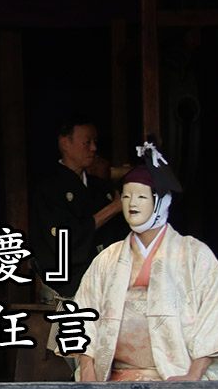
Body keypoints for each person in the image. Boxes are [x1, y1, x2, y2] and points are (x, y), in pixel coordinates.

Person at [70, 142, 218, 381]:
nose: (132, 203)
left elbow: (216, 319)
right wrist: (88, 371)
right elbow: (83, 314)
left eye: (141, 196)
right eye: (126, 196)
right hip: (113, 379)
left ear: (162, 201)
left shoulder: (195, 255)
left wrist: (193, 376)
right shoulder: (107, 259)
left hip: (178, 377)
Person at [29, 116, 126, 299]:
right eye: (87, 142)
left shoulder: (100, 188)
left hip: (107, 276)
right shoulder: (49, 190)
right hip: (70, 281)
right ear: (65, 143)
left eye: (95, 142)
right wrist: (113, 208)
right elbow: (64, 239)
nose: (94, 148)